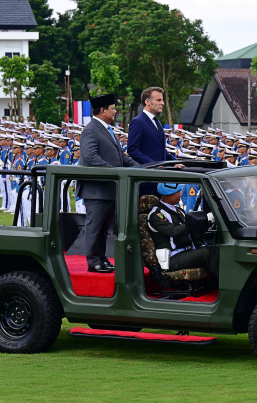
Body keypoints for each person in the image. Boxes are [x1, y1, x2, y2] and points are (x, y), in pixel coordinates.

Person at [77, 93, 140, 273]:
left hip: (109, 188)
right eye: (113, 109)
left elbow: (122, 157)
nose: (115, 112)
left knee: (104, 228)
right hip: (97, 189)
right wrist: (113, 172)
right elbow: (90, 156)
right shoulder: (91, 129)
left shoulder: (107, 130)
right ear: (103, 110)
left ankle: (102, 258)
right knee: (95, 227)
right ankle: (93, 261)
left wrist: (141, 168)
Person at [146, 182, 216, 276]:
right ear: (167, 194)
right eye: (177, 192)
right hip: (173, 257)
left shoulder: (179, 211)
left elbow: (192, 233)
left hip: (186, 252)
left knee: (216, 247)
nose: (180, 194)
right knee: (209, 252)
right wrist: (197, 222)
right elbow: (173, 231)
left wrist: (206, 224)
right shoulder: (156, 214)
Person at [127, 87, 177, 164]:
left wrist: (175, 162)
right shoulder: (138, 122)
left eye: (162, 100)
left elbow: (161, 150)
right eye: (158, 100)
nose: (162, 103)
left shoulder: (157, 122)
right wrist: (153, 165)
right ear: (147, 102)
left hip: (160, 171)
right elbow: (132, 150)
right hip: (148, 172)